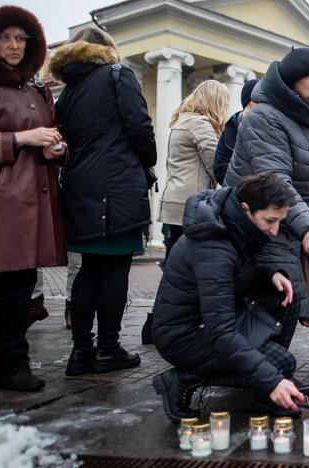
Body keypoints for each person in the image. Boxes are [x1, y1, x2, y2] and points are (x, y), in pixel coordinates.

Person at [152, 172, 305, 421]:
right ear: (246, 209)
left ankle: (265, 383)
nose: (275, 231)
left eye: (280, 221)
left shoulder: (232, 223)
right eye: (270, 220)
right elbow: (221, 330)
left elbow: (237, 273)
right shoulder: (215, 248)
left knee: (285, 296)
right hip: (184, 336)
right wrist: (272, 379)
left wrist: (269, 275)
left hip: (213, 318)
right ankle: (180, 380)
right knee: (281, 365)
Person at [49, 26, 157, 375]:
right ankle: (108, 349)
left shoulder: (68, 91)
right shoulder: (117, 75)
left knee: (89, 269)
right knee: (114, 267)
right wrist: (147, 161)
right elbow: (139, 126)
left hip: (80, 186)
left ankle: (81, 352)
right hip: (117, 185)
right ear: (106, 50)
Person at [0, 6, 67, 391]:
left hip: (37, 193)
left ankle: (13, 362)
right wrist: (22, 139)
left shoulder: (36, 89)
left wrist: (56, 147)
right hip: (3, 199)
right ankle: (7, 367)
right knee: (11, 283)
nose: (14, 45)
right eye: (6, 37)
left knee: (22, 282)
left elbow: (52, 135)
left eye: (21, 38)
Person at [224, 47, 309, 326]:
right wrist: (308, 226)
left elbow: (308, 164)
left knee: (285, 305)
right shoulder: (264, 117)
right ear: (292, 80)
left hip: (288, 221)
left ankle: (268, 367)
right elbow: (275, 179)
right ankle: (261, 368)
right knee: (277, 306)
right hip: (259, 225)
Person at [144, 80, 228, 343]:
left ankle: (158, 325)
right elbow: (217, 164)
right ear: (214, 101)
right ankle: (162, 326)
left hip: (176, 204)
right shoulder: (199, 124)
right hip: (188, 207)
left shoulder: (182, 121)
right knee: (181, 272)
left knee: (175, 269)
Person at [214, 78, 258, 185]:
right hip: (237, 192)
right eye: (256, 99)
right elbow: (220, 167)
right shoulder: (232, 126)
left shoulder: (274, 125)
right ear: (248, 102)